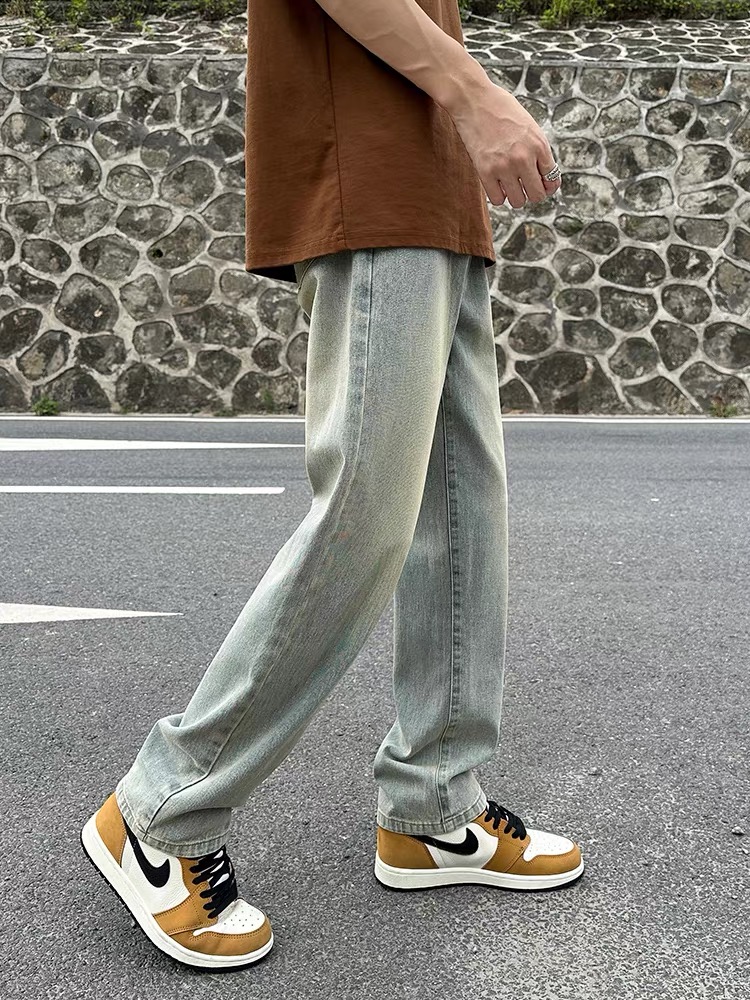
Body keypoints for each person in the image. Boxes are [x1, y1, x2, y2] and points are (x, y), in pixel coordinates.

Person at [81, 0, 583, 971]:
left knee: (460, 512)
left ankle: (432, 805)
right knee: (367, 512)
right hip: (374, 173)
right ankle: (161, 810)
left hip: (437, 195)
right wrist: (474, 92)